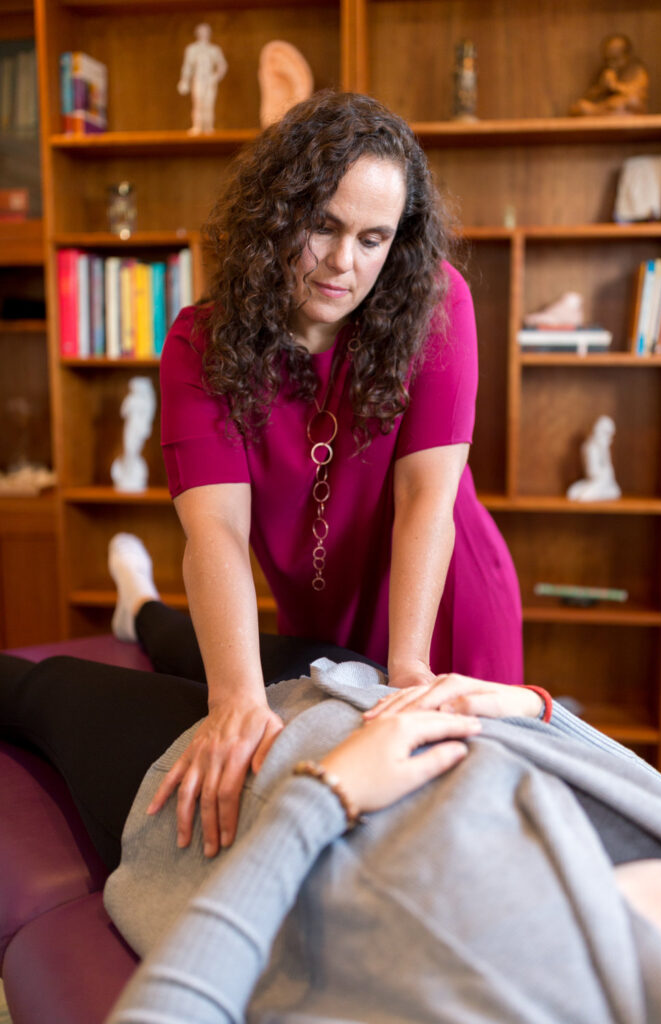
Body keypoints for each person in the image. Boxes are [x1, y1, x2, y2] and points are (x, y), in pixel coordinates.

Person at [148, 89, 523, 859]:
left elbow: (426, 498)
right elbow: (214, 527)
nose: (345, 264)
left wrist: (411, 664)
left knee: (460, 834)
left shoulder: (435, 302)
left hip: (444, 598)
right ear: (277, 213)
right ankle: (136, 610)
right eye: (323, 225)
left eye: (373, 237)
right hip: (320, 601)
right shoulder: (199, 345)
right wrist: (236, 699)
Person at [96, 663, 661, 1024]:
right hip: (351, 690)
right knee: (175, 633)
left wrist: (323, 796)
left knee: (41, 688)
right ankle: (142, 608)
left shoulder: (542, 997)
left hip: (237, 782)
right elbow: (652, 790)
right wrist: (533, 707)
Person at [570, 33, 649, 116]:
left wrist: (615, 86)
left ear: (627, 56)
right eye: (607, 59)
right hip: (606, 106)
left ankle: (601, 113)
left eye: (616, 59)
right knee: (581, 106)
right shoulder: (605, 70)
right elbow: (589, 97)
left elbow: (639, 95)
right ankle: (600, 113)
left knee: (632, 101)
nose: (611, 64)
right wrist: (601, 87)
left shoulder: (636, 70)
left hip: (623, 106)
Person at [177, 23, 228, 135]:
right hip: (198, 79)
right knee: (198, 103)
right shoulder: (192, 49)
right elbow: (188, 66)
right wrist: (184, 80)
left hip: (210, 80)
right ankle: (198, 126)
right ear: (197, 33)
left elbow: (222, 65)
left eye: (206, 31)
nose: (204, 34)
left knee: (209, 104)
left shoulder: (214, 49)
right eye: (201, 31)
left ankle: (209, 127)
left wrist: (215, 77)